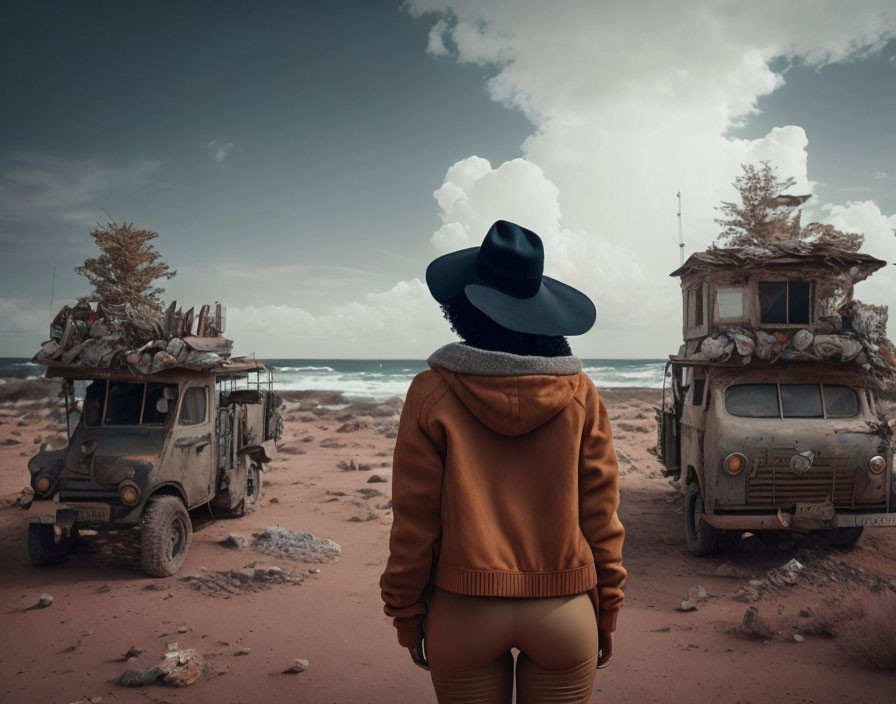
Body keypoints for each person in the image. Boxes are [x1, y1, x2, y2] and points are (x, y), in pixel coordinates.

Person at [380, 220, 626, 703]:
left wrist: (406, 611)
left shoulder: (430, 391)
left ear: (463, 308)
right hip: (564, 609)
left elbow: (414, 518)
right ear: (544, 315)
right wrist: (608, 605)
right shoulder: (580, 393)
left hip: (461, 609)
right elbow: (602, 512)